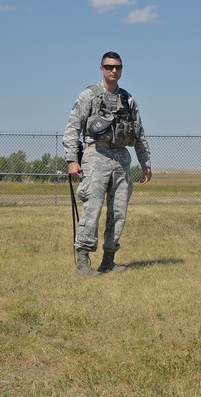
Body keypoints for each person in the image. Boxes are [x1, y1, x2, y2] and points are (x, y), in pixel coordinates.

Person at [63, 51, 152, 276]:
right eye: (110, 67)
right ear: (101, 69)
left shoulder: (128, 99)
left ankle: (109, 260)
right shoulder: (89, 96)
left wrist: (145, 162)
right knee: (92, 209)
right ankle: (83, 262)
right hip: (96, 155)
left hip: (121, 158)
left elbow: (139, 132)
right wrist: (72, 160)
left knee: (119, 211)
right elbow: (73, 127)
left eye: (118, 67)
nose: (114, 70)